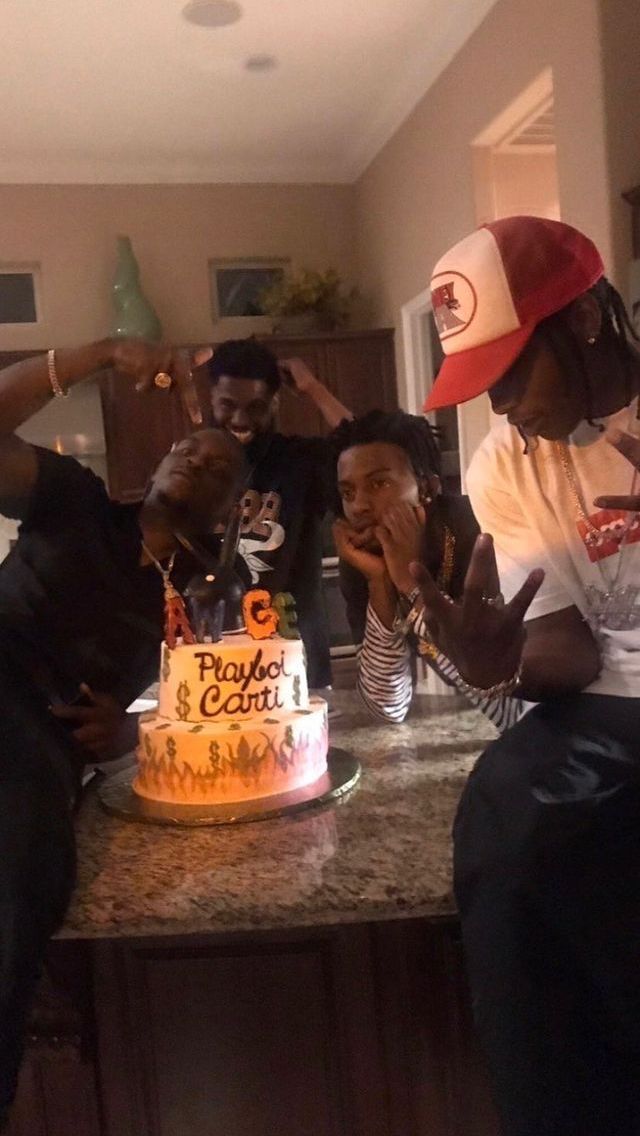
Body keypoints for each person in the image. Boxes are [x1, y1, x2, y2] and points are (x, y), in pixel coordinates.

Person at [414, 214, 640, 1135]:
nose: (502, 407)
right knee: (506, 831)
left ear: (582, 322)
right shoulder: (503, 462)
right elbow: (568, 654)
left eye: (511, 376)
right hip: (603, 714)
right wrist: (499, 671)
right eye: (484, 385)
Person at [0, 338, 247, 1129]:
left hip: (40, 745)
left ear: (229, 513)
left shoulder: (194, 607)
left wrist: (124, 734)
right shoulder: (74, 500)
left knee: (29, 854)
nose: (196, 464)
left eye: (218, 472)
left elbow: (197, 712)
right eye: (189, 449)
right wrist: (98, 354)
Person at [330, 409, 521, 730]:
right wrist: (380, 584)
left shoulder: (481, 536)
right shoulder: (365, 562)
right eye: (348, 492)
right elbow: (387, 706)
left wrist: (410, 584)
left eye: (379, 483)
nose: (359, 505)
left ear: (427, 488)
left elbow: (513, 711)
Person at [208, 339, 352, 687]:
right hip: (216, 659)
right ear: (211, 398)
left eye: (256, 407)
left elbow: (361, 448)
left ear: (275, 402)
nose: (241, 420)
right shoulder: (193, 463)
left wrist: (313, 388)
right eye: (227, 404)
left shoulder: (301, 461)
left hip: (296, 656)